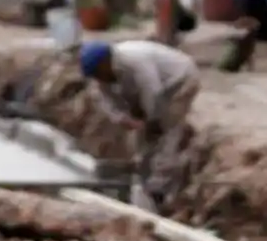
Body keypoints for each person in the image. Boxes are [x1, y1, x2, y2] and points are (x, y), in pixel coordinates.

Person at [79, 39, 200, 211]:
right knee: (144, 139)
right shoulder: (100, 76)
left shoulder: (135, 61)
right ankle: (142, 176)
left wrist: (153, 121)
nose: (99, 78)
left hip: (179, 80)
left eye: (99, 73)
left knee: (167, 131)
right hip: (151, 90)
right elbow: (105, 102)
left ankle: (159, 190)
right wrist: (126, 120)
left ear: (106, 62)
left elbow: (153, 91)